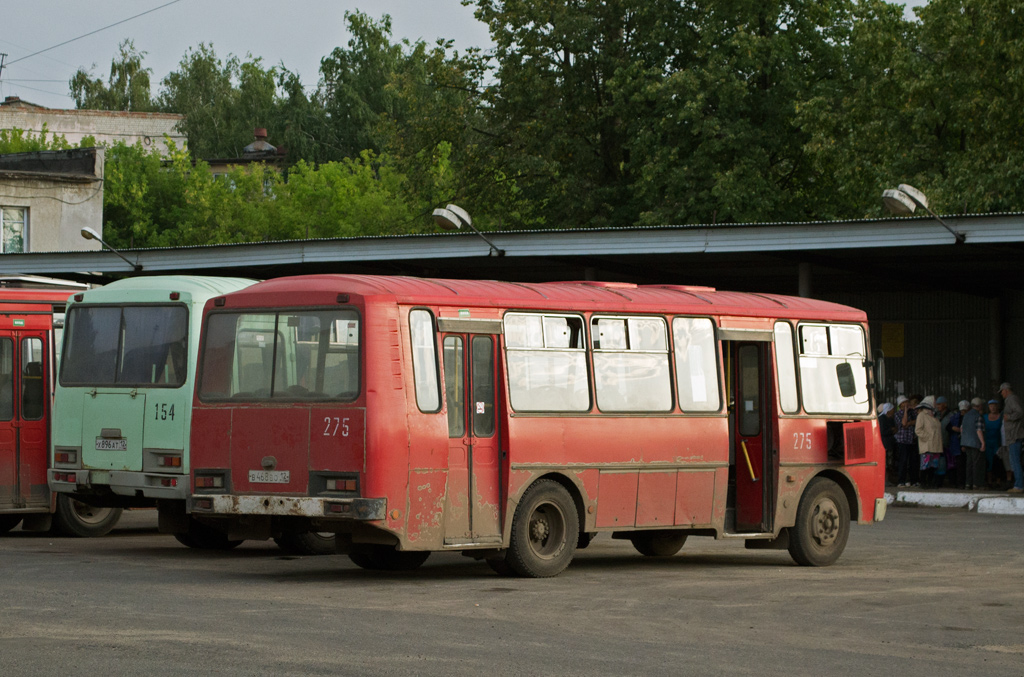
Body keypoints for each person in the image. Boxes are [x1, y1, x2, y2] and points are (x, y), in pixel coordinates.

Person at [1000, 382, 1024, 493]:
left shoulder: (1011, 399)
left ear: (1006, 390)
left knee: (1015, 461)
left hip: (1014, 435)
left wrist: (1009, 417)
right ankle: (1018, 484)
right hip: (1014, 435)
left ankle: (1019, 485)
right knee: (1015, 460)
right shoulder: (1011, 399)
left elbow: (1019, 412)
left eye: (1002, 392)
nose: (1001, 394)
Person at [916, 396, 942, 488]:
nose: (936, 403)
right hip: (927, 445)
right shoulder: (922, 415)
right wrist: (928, 437)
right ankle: (923, 483)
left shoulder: (934, 415)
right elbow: (918, 430)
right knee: (925, 466)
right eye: (934, 402)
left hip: (936, 445)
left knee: (933, 466)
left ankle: (930, 483)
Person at [894, 395, 920, 487]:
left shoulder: (913, 413)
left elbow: (917, 421)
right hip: (902, 441)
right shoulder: (898, 414)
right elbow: (904, 423)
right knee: (903, 461)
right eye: (905, 402)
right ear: (901, 404)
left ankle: (914, 481)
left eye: (907, 402)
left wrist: (910, 422)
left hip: (911, 440)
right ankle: (901, 481)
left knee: (913, 461)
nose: (907, 404)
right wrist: (905, 411)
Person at [962, 397, 987, 490]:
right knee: (977, 464)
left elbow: (962, 429)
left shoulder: (966, 415)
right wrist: (983, 442)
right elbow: (979, 430)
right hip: (975, 442)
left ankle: (968, 483)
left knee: (969, 463)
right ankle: (977, 484)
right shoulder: (978, 416)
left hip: (966, 442)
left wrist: (963, 442)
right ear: (980, 406)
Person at [946, 400, 969, 489]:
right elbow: (947, 427)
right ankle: (958, 483)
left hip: (966, 443)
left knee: (965, 464)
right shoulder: (955, 417)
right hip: (956, 443)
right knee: (958, 464)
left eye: (964, 411)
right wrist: (953, 428)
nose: (963, 413)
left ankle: (964, 482)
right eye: (962, 411)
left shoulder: (969, 418)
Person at [984, 399, 1003, 488]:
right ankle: (990, 481)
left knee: (998, 462)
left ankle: (998, 481)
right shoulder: (984, 417)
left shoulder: (1001, 417)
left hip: (998, 442)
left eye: (995, 406)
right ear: (988, 407)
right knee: (989, 462)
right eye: (991, 406)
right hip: (987, 442)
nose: (993, 408)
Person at [935, 396, 954, 486]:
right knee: (940, 463)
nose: (938, 406)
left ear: (945, 404)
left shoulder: (952, 415)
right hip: (938, 443)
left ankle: (952, 482)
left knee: (951, 462)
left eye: (939, 404)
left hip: (949, 442)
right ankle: (939, 482)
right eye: (937, 404)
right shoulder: (936, 415)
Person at [878, 402, 898, 485]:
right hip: (884, 444)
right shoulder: (882, 418)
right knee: (885, 463)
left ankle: (888, 479)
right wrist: (891, 430)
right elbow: (882, 431)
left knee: (889, 463)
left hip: (890, 444)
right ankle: (884, 480)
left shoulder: (890, 418)